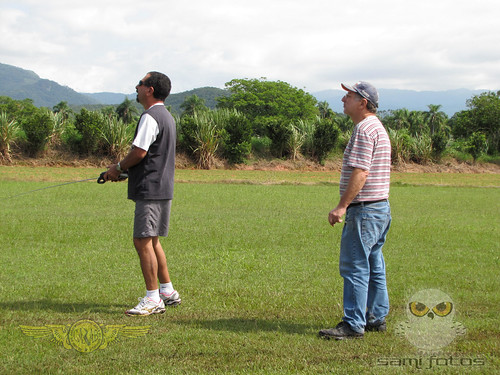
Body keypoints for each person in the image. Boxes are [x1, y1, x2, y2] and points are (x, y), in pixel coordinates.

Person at [319, 81, 391, 340]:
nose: (343, 99)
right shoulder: (377, 127)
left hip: (365, 211)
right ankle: (375, 317)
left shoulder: (363, 129)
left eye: (348, 95)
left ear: (363, 102)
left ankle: (353, 323)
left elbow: (360, 172)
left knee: (355, 266)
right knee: (374, 263)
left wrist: (341, 206)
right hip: (380, 207)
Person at [105, 71, 181, 316]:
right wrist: (126, 173)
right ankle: (167, 291)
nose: (136, 87)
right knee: (153, 239)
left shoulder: (150, 117)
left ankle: (153, 299)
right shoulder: (167, 116)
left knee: (142, 240)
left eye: (140, 83)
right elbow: (154, 158)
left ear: (149, 89)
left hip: (150, 189)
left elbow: (140, 152)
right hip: (162, 187)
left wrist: (117, 168)